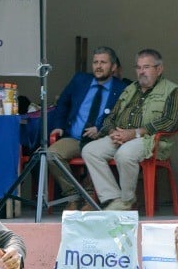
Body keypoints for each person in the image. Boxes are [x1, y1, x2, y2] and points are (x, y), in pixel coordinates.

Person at [81, 49, 178, 211]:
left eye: (146, 67)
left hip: (150, 140)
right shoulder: (130, 88)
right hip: (122, 136)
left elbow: (170, 122)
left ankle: (127, 201)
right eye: (138, 67)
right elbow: (111, 116)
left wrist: (135, 133)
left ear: (159, 69)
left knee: (124, 154)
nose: (141, 71)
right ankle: (113, 198)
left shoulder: (172, 91)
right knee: (90, 150)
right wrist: (113, 132)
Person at [46, 46, 127, 210]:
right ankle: (73, 196)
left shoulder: (122, 89)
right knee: (51, 155)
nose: (98, 66)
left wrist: (101, 129)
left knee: (94, 153)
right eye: (95, 62)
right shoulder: (80, 80)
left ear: (113, 67)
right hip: (74, 137)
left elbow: (123, 118)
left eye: (103, 62)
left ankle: (90, 195)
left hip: (101, 139)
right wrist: (59, 126)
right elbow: (63, 103)